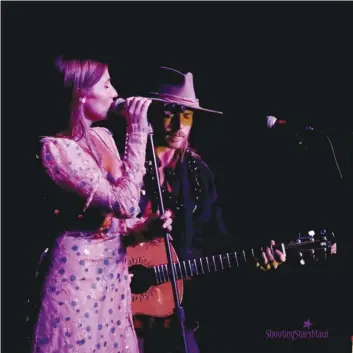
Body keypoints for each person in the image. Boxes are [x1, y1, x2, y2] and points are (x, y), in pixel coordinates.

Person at [127, 66, 286, 353]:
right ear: (149, 113)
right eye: (168, 113)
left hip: (175, 315)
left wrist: (256, 257)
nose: (178, 125)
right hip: (118, 310)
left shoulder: (198, 173)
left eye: (186, 115)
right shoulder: (126, 163)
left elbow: (217, 238)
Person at [31, 55, 173, 353]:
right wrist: (136, 131)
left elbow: (120, 219)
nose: (114, 93)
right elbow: (125, 202)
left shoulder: (104, 137)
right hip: (77, 275)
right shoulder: (57, 151)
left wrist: (147, 228)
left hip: (113, 273)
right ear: (81, 95)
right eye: (106, 85)